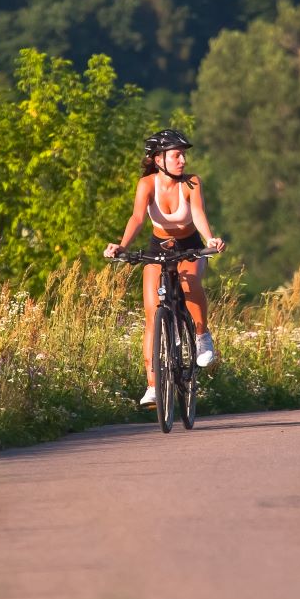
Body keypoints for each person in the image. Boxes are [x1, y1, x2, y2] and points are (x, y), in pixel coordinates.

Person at [104, 129, 225, 407]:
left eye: (183, 154)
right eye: (176, 155)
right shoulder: (146, 184)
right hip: (158, 247)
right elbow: (137, 218)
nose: (182, 160)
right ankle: (153, 387)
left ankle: (202, 335)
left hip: (190, 247)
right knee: (152, 313)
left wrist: (210, 239)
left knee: (189, 284)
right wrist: (122, 246)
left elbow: (198, 214)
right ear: (159, 159)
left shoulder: (191, 183)